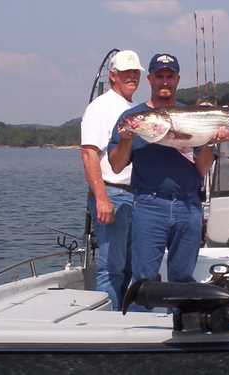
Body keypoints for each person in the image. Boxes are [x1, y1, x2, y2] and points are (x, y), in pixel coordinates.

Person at [108, 53, 229, 291]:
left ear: (177, 79)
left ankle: (181, 325)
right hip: (149, 206)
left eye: (170, 76)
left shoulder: (195, 115)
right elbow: (116, 165)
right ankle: (139, 326)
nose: (165, 81)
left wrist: (210, 141)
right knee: (143, 279)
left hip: (189, 206)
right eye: (159, 76)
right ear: (150, 79)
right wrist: (125, 139)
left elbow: (203, 167)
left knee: (183, 278)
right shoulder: (132, 118)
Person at [80, 50, 145, 310]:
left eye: (135, 73)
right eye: (126, 72)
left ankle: (126, 317)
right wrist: (101, 198)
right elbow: (88, 153)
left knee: (132, 266)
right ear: (113, 76)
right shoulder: (100, 107)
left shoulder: (135, 109)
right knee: (111, 267)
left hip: (137, 196)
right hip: (113, 194)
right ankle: (107, 321)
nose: (132, 77)